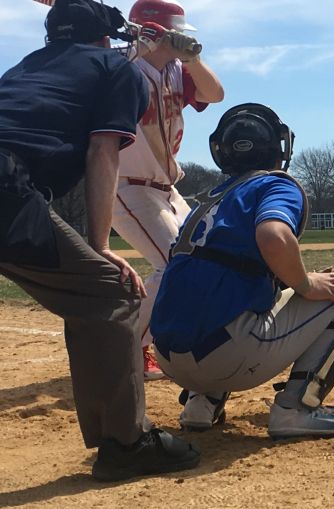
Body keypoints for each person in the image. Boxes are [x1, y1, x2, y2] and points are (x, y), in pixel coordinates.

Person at [0, 0, 200, 481]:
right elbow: (102, 151)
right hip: (7, 189)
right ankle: (127, 445)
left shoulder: (22, 69)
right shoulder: (117, 69)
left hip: (16, 186)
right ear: (108, 37)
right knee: (108, 292)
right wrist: (99, 246)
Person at [150, 103, 334, 438]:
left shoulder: (209, 198)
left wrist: (298, 282)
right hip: (225, 358)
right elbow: (273, 237)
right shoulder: (274, 184)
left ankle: (200, 405)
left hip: (169, 358)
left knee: (233, 290)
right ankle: (295, 409)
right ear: (278, 147)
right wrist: (305, 283)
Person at [112, 0, 224, 381]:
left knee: (199, 257)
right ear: (153, 31)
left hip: (166, 188)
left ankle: (154, 339)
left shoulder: (178, 70)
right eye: (175, 34)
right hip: (125, 186)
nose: (182, 40)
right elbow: (102, 67)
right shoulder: (122, 65)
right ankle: (124, 348)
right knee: (174, 263)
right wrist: (138, 42)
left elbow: (215, 94)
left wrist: (191, 59)